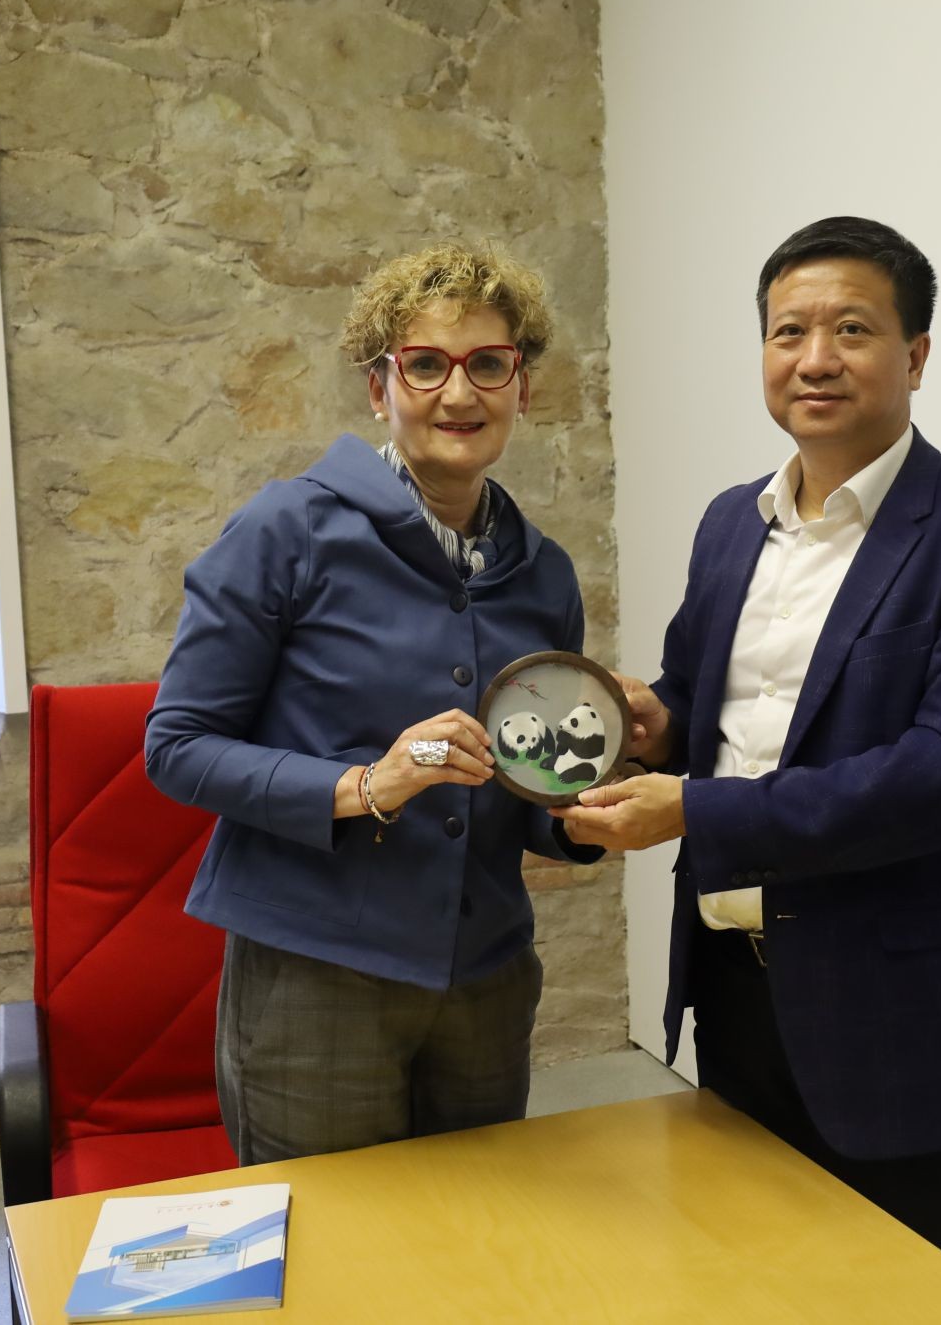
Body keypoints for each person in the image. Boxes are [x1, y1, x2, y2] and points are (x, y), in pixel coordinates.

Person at [554, 217, 941, 1269]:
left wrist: (692, 809)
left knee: (896, 1292)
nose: (815, 358)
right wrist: (655, 724)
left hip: (895, 1014)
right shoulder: (729, 523)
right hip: (734, 985)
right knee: (747, 1275)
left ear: (915, 356)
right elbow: (703, 703)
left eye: (852, 329)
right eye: (788, 331)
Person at [145, 242, 600, 1167]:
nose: (458, 392)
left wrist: (585, 809)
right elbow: (177, 745)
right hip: (316, 982)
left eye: (488, 363)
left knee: (476, 1233)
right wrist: (366, 786)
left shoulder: (545, 573)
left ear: (523, 387)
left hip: (486, 983)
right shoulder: (287, 529)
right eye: (425, 364)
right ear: (378, 388)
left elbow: (529, 792)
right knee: (334, 1241)